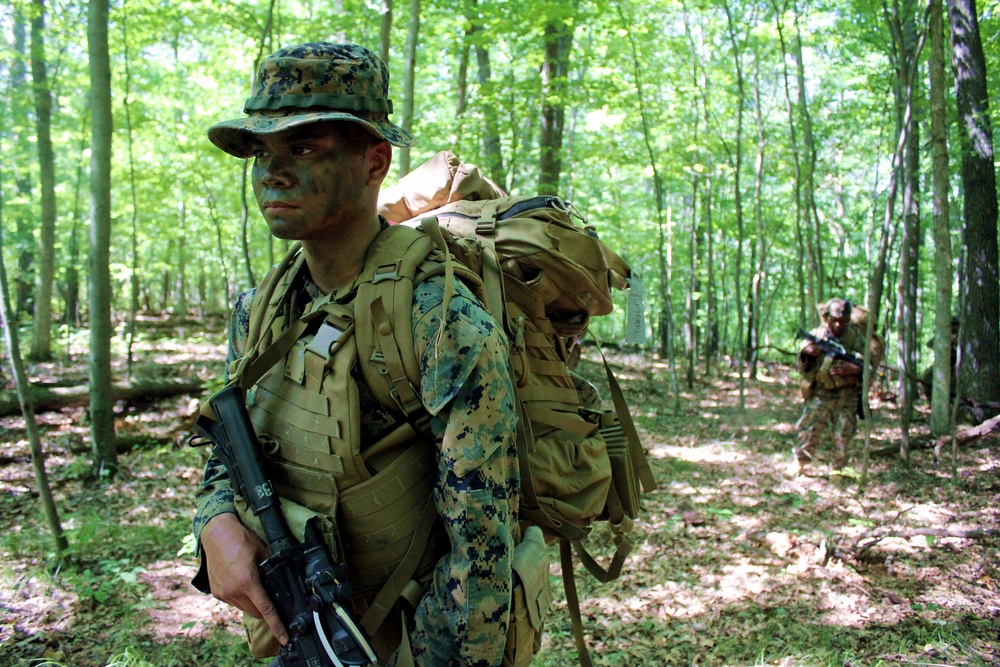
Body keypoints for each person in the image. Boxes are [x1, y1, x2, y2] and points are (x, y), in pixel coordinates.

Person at [191, 42, 520, 667]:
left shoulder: (439, 320)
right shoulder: (263, 309)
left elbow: (479, 548)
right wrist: (213, 521)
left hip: (409, 638)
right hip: (297, 626)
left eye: (304, 148)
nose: (271, 172)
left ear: (375, 162)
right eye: (261, 151)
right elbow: (227, 445)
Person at [785, 297, 884, 479]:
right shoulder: (817, 335)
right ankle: (800, 462)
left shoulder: (856, 339)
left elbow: (871, 366)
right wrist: (806, 354)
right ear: (826, 318)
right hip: (820, 392)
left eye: (843, 321)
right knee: (809, 428)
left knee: (843, 434)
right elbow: (800, 365)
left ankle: (837, 469)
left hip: (847, 394)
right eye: (834, 320)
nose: (838, 325)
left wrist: (855, 369)